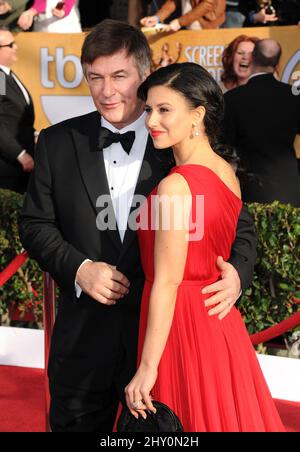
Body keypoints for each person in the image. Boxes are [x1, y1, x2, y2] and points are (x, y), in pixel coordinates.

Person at [19, 19, 257, 432]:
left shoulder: (176, 143)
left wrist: (237, 271)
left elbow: (239, 221)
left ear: (145, 75)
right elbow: (35, 224)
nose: (106, 91)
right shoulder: (57, 143)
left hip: (163, 348)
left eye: (119, 76)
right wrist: (79, 268)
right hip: (82, 345)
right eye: (95, 77)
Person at [124, 62, 285, 432]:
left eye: (165, 110)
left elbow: (167, 281)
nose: (151, 120)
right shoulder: (226, 172)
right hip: (218, 324)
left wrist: (148, 367)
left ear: (197, 114)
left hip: (178, 326)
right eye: (149, 109)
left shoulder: (174, 187)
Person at [223, 39, 300, 206]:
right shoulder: (294, 96)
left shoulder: (232, 99)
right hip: (290, 187)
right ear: (278, 62)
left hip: (250, 190)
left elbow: (224, 147)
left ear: (252, 58)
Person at [0, 27, 35, 193]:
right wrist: (20, 154)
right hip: (8, 166)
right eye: (11, 44)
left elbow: (16, 116)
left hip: (19, 166)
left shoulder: (7, 75)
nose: (16, 47)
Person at [141, 0, 226, 31]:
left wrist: (180, 22)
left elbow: (207, 4)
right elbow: (173, 1)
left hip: (207, 24)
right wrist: (157, 18)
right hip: (189, 23)